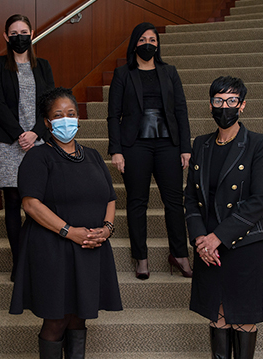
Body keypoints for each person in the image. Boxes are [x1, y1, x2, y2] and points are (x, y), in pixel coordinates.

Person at [10, 87, 122, 359]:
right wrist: (68, 231)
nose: (66, 120)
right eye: (58, 115)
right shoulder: (38, 157)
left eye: (70, 113)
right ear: (47, 121)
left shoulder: (91, 156)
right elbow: (30, 204)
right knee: (56, 318)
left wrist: (106, 228)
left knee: (79, 316)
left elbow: (110, 198)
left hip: (90, 247)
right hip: (53, 248)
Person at [185, 76, 263, 359]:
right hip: (207, 243)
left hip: (242, 242)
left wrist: (217, 238)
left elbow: (257, 201)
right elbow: (191, 198)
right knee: (218, 312)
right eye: (219, 101)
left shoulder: (258, 144)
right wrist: (199, 239)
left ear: (243, 105)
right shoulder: (202, 144)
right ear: (210, 105)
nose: (225, 107)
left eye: (232, 101)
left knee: (243, 315)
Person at [107, 22, 192, 279]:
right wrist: (116, 150)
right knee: (136, 202)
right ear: (134, 43)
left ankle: (179, 254)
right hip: (136, 145)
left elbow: (181, 111)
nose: (149, 44)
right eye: (143, 39)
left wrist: (185, 147)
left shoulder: (170, 72)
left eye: (153, 40)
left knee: (175, 202)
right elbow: (113, 115)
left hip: (168, 144)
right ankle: (140, 257)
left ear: (158, 44)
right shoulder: (122, 74)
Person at [0, 14, 55, 281]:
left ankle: (36, 257)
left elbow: (51, 102)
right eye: (13, 33)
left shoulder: (44, 66)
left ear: (32, 33)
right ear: (6, 37)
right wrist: (19, 134)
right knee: (13, 201)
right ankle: (19, 262)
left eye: (23, 31)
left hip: (39, 141)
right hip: (9, 142)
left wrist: (36, 132)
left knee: (38, 202)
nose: (19, 37)